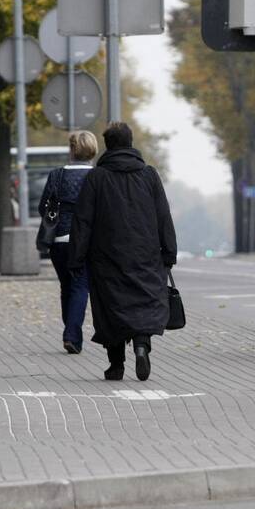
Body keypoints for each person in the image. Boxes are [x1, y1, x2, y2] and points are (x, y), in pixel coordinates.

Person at [69, 122, 177, 381]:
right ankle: (142, 345)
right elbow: (163, 215)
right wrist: (169, 251)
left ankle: (116, 364)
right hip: (146, 254)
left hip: (106, 256)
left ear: (108, 145)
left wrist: (76, 257)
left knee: (111, 308)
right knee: (143, 302)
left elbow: (83, 220)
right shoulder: (149, 175)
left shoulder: (97, 178)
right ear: (130, 143)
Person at [40, 132, 98, 354]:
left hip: (59, 241)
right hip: (86, 242)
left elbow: (43, 207)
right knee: (81, 286)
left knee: (67, 286)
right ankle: (72, 335)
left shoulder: (57, 175)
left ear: (72, 150)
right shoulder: (98, 176)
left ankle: (71, 332)